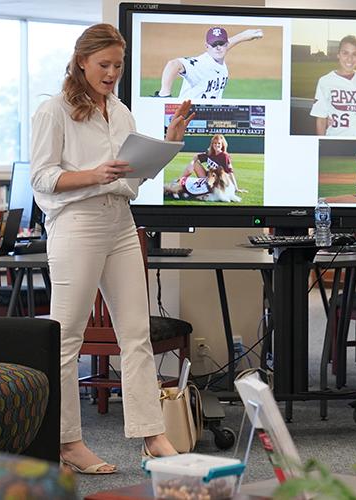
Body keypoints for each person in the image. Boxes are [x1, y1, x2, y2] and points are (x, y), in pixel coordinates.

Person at [30, 23, 194, 475]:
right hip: (76, 223)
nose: (111, 73)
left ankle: (151, 434)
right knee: (68, 338)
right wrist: (93, 175)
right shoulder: (54, 111)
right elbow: (42, 178)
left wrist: (170, 143)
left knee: (136, 335)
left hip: (121, 222)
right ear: (81, 61)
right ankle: (68, 443)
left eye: (118, 65)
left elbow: (133, 178)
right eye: (104, 64)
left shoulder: (120, 112)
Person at [156, 26, 264, 99]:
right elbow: (173, 64)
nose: (218, 48)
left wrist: (243, 36)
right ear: (207, 46)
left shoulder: (217, 57)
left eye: (221, 43)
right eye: (213, 44)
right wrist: (164, 94)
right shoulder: (200, 65)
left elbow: (222, 48)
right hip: (187, 119)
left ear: (226, 44)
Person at [310, 35, 356, 136]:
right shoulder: (325, 81)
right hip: (335, 139)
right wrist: (323, 144)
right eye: (345, 53)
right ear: (338, 55)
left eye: (354, 54)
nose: (350, 59)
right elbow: (321, 119)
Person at [179, 134, 246, 194]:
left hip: (217, 181)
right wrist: (191, 163)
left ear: (222, 144)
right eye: (215, 143)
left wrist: (236, 188)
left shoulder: (225, 156)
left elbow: (230, 173)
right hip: (207, 177)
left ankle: (208, 189)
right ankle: (180, 181)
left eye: (219, 143)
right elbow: (197, 156)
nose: (217, 145)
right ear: (212, 144)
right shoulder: (210, 153)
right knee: (195, 163)